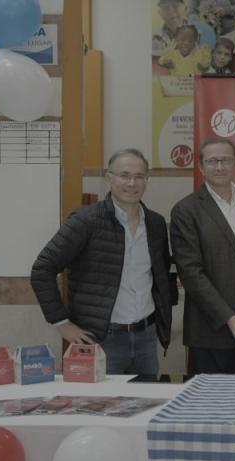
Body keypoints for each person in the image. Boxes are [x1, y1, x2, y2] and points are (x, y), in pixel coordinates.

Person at [30, 149, 173, 376]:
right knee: (102, 408)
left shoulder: (156, 224)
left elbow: (160, 275)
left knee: (146, 404)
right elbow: (42, 269)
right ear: (109, 178)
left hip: (146, 337)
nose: (132, 182)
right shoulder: (86, 221)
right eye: (124, 175)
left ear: (147, 180)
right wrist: (61, 323)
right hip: (102, 339)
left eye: (139, 176)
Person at [170, 138, 235, 374]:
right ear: (201, 167)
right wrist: (228, 318)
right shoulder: (186, 210)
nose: (220, 167)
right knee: (212, 405)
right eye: (212, 161)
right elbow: (191, 274)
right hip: (211, 329)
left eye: (226, 160)